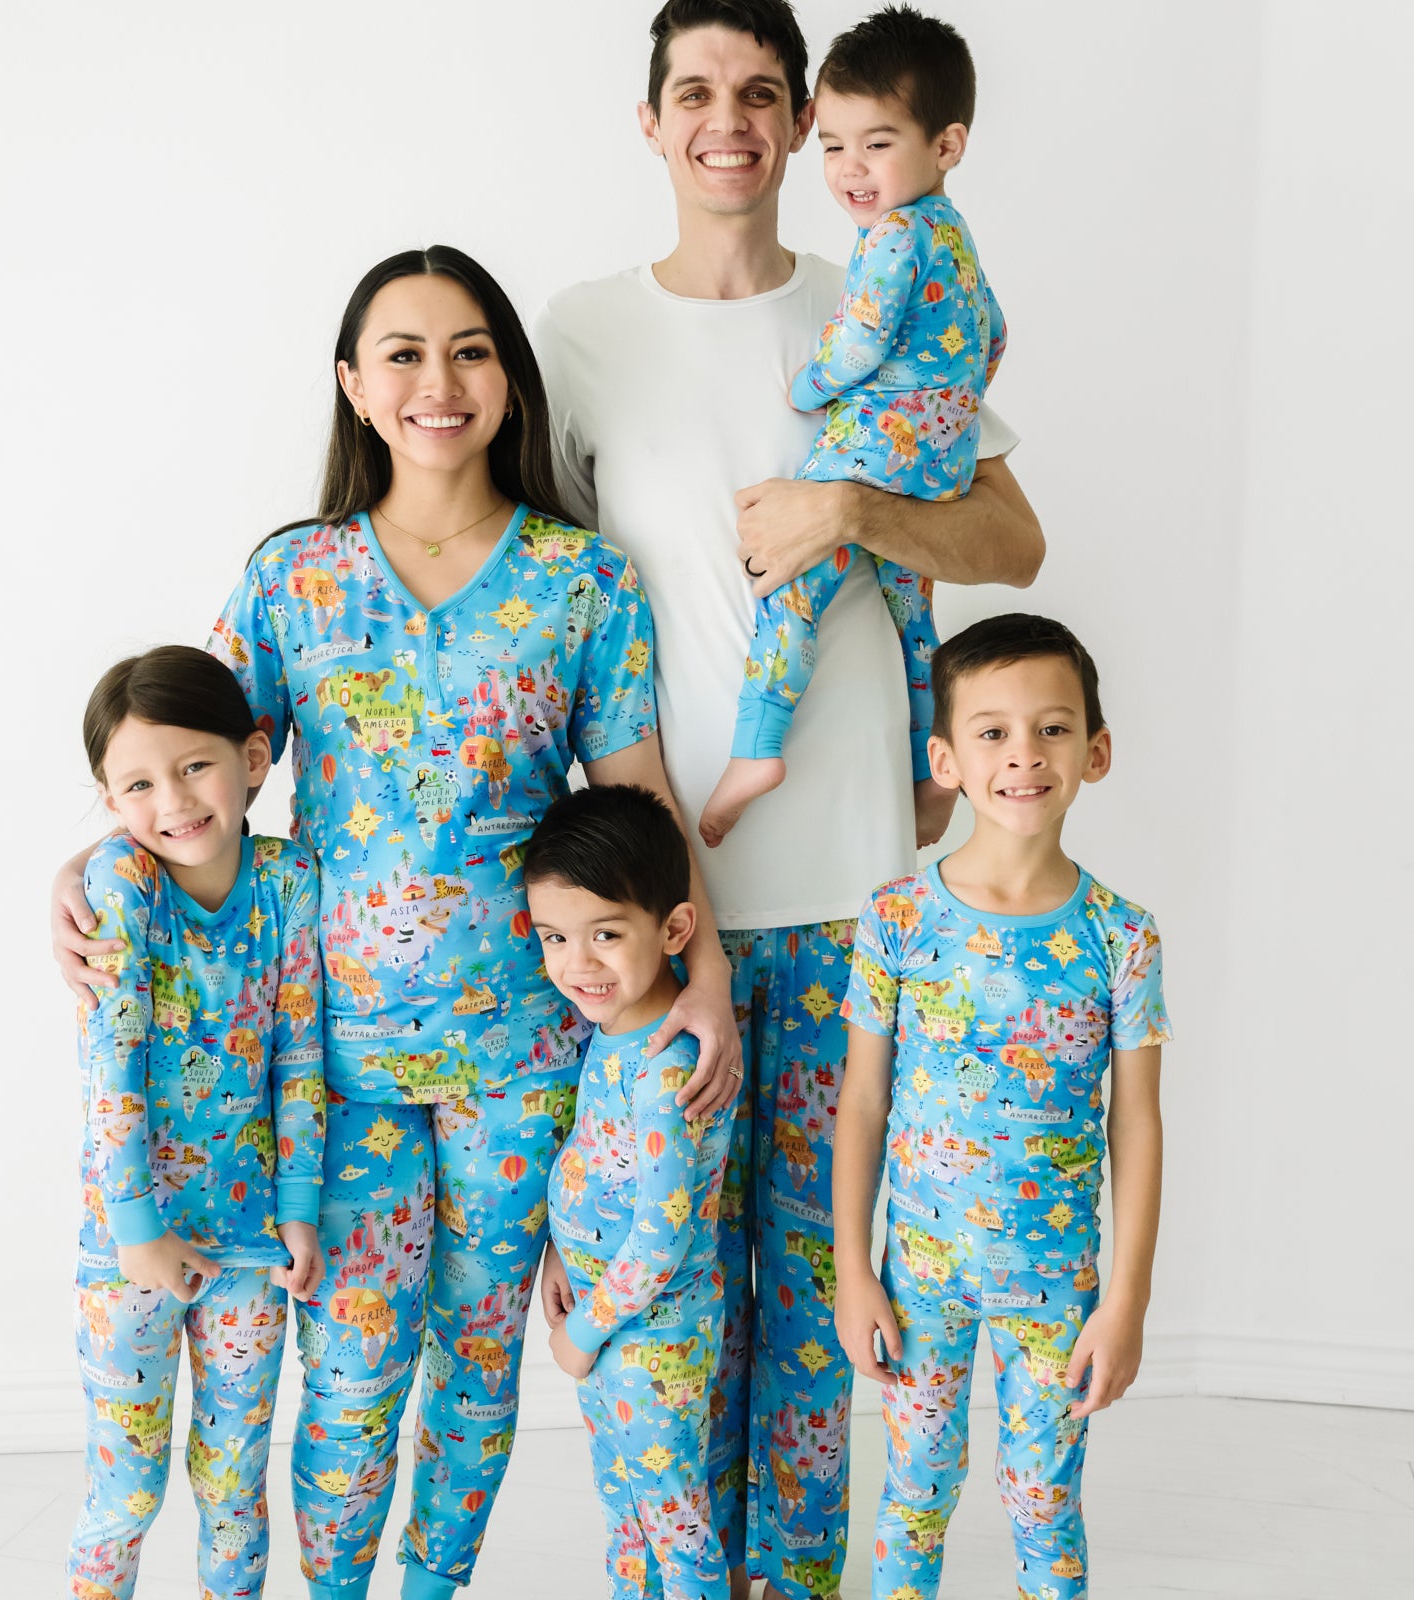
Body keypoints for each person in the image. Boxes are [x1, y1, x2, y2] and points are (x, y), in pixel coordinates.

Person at [51, 246, 742, 1600]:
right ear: (355, 385)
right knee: (357, 1368)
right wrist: (78, 865)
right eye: (407, 353)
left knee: (477, 1371)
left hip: (526, 1052)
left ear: (510, 380)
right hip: (332, 1064)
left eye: (472, 349)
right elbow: (183, 765)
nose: (441, 381)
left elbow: (640, 804)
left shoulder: (580, 583)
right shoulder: (293, 579)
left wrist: (699, 974)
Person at [533, 4, 1043, 1596]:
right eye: (698, 92)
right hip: (648, 921)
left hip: (851, 891)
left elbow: (1013, 544)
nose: (732, 123)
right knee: (670, 1318)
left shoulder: (880, 287)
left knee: (820, 1310)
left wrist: (858, 509)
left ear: (812, 124)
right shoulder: (577, 333)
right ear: (650, 120)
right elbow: (512, 586)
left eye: (768, 95)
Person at [833, 614, 1171, 1600]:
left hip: (1059, 1289)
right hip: (919, 1277)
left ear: (1094, 751)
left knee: (1041, 1499)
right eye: (991, 732)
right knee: (915, 1487)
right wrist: (855, 1268)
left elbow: (1137, 1123)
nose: (1023, 754)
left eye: (1052, 729)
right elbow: (860, 1101)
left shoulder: (1122, 937)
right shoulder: (895, 918)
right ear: (943, 758)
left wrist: (1127, 1299)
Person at [701, 5, 1004, 847]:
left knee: (792, 586)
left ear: (946, 145)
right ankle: (928, 772)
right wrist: (954, 402)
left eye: (876, 143)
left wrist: (811, 382)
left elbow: (862, 336)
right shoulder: (956, 235)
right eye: (832, 145)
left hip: (876, 450)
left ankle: (756, 748)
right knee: (911, 617)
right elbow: (997, 330)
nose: (849, 170)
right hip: (939, 459)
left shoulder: (892, 234)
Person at [68, 646, 326, 1600]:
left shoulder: (288, 881)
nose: (172, 800)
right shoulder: (121, 884)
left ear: (255, 759)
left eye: (194, 766)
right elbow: (114, 1067)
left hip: (250, 1248)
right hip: (127, 1248)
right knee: (126, 1492)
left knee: (232, 1486)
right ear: (109, 800)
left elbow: (301, 1054)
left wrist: (296, 1207)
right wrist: (138, 1230)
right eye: (138, 782)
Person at [526, 785, 734, 1600]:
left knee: (674, 1520)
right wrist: (558, 1250)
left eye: (606, 935)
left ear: (674, 929)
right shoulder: (610, 1035)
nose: (578, 964)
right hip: (611, 1322)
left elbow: (662, 1233)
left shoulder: (666, 1066)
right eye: (555, 939)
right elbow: (589, 1159)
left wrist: (584, 1328)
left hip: (653, 1333)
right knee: (627, 1507)